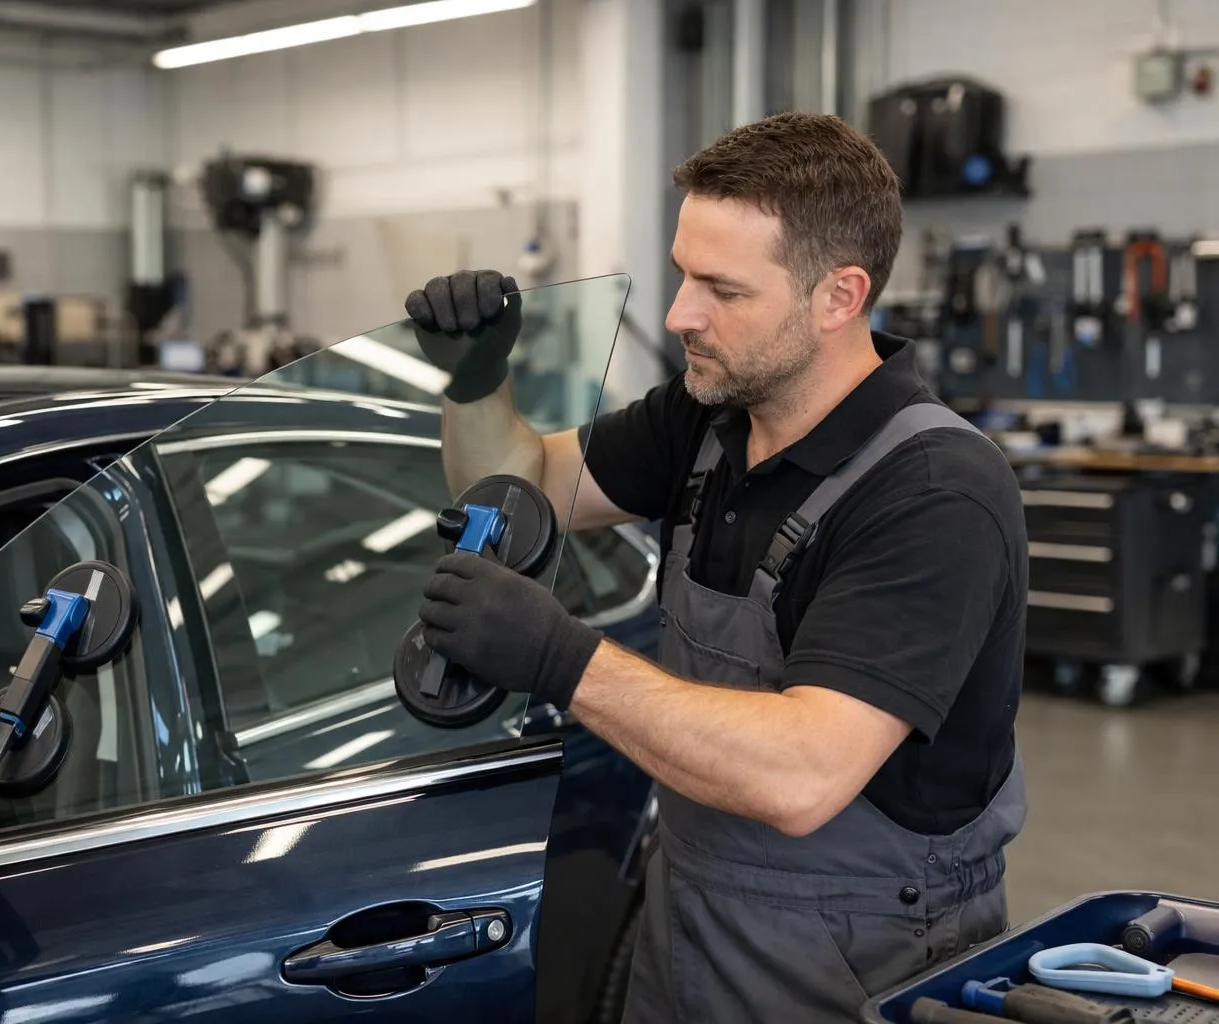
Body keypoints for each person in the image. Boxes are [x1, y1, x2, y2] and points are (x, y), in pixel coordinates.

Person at [405, 112, 1029, 1024]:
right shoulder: (707, 416)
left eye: (721, 289)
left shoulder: (936, 492)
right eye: (682, 272)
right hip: (688, 922)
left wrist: (560, 659)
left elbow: (802, 775)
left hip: (862, 962)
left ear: (839, 296)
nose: (678, 314)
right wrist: (474, 379)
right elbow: (523, 485)